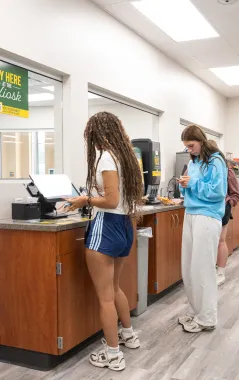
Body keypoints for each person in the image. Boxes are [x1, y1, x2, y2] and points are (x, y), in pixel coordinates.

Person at [65, 112, 143, 371]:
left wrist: (84, 199)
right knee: (116, 287)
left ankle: (112, 355)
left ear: (98, 134)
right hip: (123, 226)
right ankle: (128, 336)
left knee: (105, 298)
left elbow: (109, 201)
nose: (92, 142)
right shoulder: (126, 156)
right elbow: (120, 198)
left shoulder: (106, 157)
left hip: (106, 226)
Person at [177, 125, 227, 333]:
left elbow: (217, 191)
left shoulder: (215, 161)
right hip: (191, 213)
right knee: (188, 268)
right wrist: (183, 183)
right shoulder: (193, 161)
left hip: (207, 216)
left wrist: (194, 183)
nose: (189, 149)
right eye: (186, 147)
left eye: (191, 145)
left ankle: (207, 318)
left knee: (203, 268)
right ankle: (195, 311)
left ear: (200, 140)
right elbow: (189, 186)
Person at [208, 140, 239, 286]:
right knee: (208, 242)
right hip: (205, 210)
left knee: (220, 240)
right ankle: (209, 271)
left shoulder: (226, 169)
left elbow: (235, 194)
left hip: (222, 208)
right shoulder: (199, 167)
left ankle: (220, 273)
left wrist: (228, 203)